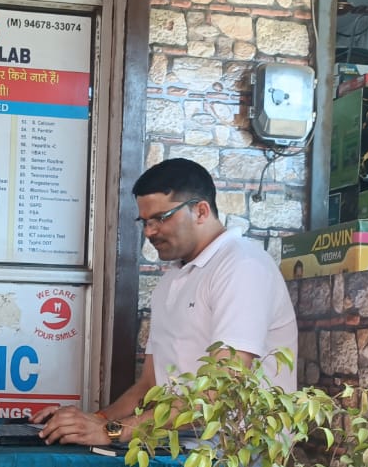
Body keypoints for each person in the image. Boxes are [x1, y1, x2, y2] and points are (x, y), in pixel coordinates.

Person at [36, 157, 298, 445]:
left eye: (161, 218)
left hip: (236, 451)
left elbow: (220, 392)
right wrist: (91, 421)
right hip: (179, 443)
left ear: (201, 211)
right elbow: (150, 384)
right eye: (145, 221)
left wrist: (112, 432)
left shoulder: (242, 266)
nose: (149, 232)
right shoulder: (171, 280)